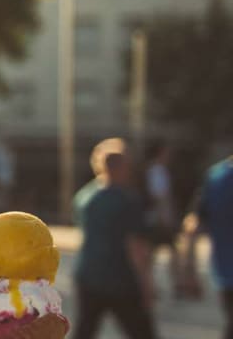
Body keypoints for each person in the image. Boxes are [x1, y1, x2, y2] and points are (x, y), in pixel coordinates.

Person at [74, 137, 160, 339]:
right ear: (121, 167)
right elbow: (135, 246)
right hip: (121, 279)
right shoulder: (128, 199)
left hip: (88, 275)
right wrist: (147, 284)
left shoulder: (84, 197)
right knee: (142, 332)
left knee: (85, 330)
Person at [179, 153, 233, 339]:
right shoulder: (216, 177)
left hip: (225, 271)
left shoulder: (215, 176)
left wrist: (188, 268)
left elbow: (193, 225)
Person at [146, 139, 179, 295]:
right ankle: (174, 284)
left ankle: (151, 283)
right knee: (170, 253)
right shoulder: (158, 171)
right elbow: (160, 197)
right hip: (159, 220)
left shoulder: (156, 170)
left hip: (157, 218)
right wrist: (165, 218)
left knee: (154, 254)